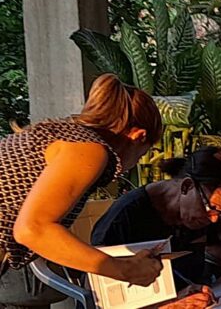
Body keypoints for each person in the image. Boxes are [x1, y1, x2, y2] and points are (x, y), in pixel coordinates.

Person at [0, 73, 165, 308]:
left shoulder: (58, 133)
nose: (135, 163)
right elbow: (33, 229)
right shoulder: (88, 149)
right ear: (139, 136)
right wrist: (125, 270)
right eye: (143, 154)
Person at [91, 147, 221, 308]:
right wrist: (169, 305)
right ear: (187, 186)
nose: (214, 219)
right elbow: (100, 297)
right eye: (211, 208)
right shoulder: (123, 220)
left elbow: (220, 247)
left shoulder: (200, 213)